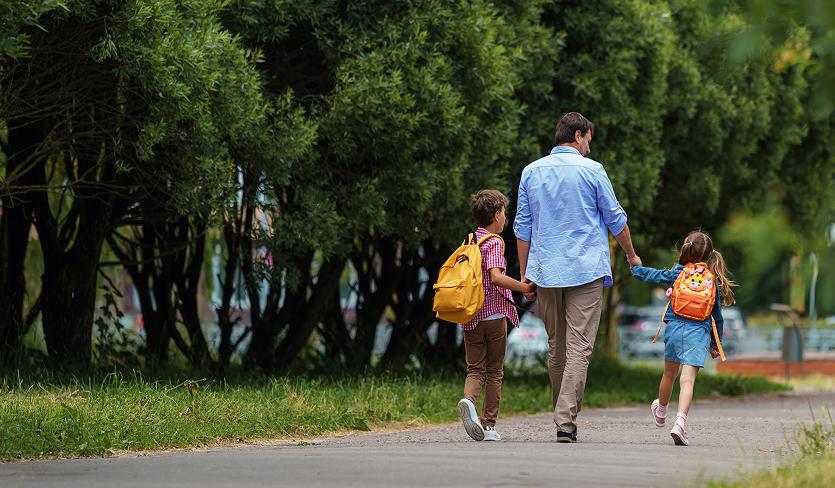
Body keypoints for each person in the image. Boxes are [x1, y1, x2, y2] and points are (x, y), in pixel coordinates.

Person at [514, 112, 641, 443]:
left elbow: (522, 227)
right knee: (579, 347)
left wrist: (525, 273)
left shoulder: (531, 172)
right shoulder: (593, 171)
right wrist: (630, 255)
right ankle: (564, 420)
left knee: (557, 346)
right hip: (585, 269)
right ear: (579, 134)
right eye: (588, 140)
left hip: (545, 271)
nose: (588, 148)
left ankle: (562, 416)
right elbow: (616, 219)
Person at [630, 230, 737, 446]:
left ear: (685, 249)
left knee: (669, 375)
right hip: (699, 333)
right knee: (687, 380)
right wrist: (716, 345)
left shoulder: (678, 272)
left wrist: (636, 269)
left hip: (675, 329)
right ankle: (679, 424)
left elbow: (654, 275)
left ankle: (661, 411)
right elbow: (718, 318)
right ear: (708, 256)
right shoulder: (710, 282)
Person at [457, 190, 536, 442]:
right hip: (492, 314)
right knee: (494, 371)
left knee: (474, 368)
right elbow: (495, 276)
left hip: (470, 315)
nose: (505, 218)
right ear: (494, 215)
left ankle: (468, 402)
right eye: (503, 212)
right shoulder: (494, 242)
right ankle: (489, 425)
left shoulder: (470, 241)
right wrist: (524, 287)